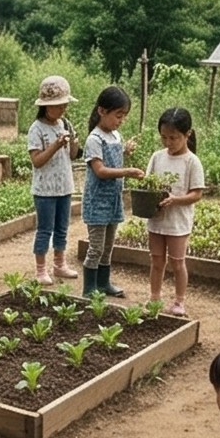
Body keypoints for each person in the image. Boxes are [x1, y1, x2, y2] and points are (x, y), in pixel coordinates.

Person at [81, 86, 144, 297]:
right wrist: (127, 171)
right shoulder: (94, 139)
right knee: (96, 248)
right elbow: (99, 170)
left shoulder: (115, 135)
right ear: (102, 111)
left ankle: (103, 283)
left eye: (123, 116)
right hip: (97, 201)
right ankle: (89, 288)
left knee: (108, 247)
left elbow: (115, 153)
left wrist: (125, 149)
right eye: (118, 115)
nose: (120, 121)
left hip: (113, 201)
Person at [143, 107, 206, 315]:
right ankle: (154, 297)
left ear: (187, 134)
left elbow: (196, 194)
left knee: (177, 263)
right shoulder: (157, 157)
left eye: (173, 138)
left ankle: (179, 301)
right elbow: (148, 183)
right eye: (164, 137)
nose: (168, 143)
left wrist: (176, 199)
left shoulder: (192, 161)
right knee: (156, 260)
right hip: (156, 218)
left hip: (178, 222)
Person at [28, 75, 81, 285]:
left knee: (62, 228)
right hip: (45, 190)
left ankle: (60, 264)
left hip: (64, 186)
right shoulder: (37, 129)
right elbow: (37, 161)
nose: (62, 110)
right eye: (57, 106)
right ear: (45, 107)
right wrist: (56, 145)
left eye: (63, 105)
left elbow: (73, 155)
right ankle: (41, 269)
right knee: (44, 230)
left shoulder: (65, 123)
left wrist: (74, 142)